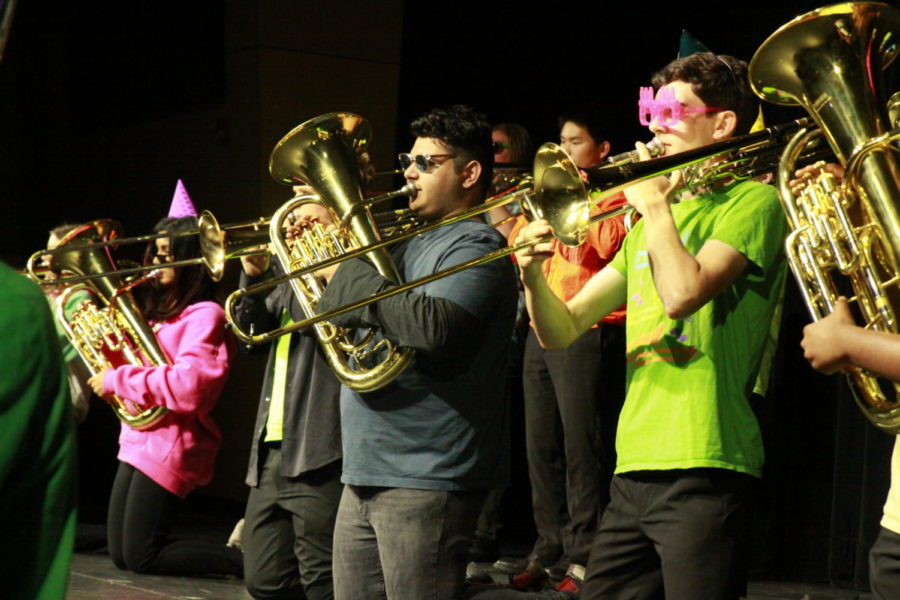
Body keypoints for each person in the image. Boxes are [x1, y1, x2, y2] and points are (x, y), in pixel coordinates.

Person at [515, 52, 785, 599]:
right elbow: (563, 330)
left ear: (723, 123)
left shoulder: (753, 202)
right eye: (652, 112)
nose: (656, 128)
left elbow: (684, 293)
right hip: (634, 464)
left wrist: (656, 208)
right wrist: (532, 275)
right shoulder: (644, 226)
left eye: (674, 112)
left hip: (708, 461)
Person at [316, 104, 518, 600]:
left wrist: (346, 277)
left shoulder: (477, 246)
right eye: (410, 159)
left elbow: (435, 329)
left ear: (470, 173)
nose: (409, 171)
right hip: (364, 468)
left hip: (429, 473)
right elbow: (347, 336)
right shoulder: (402, 245)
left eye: (428, 162)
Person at [502, 109, 627, 588]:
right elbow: (518, 245)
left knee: (583, 447)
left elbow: (607, 243)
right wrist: (533, 220)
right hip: (543, 326)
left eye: (577, 142)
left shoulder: (615, 193)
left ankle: (585, 554)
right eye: (562, 142)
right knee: (541, 447)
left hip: (588, 326)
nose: (567, 150)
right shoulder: (545, 193)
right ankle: (547, 546)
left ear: (602, 149)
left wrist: (577, 200)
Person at [87, 203, 243, 578]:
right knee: (123, 556)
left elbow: (192, 388)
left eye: (168, 255)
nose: (156, 262)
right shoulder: (156, 315)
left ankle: (247, 560)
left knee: (143, 557)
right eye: (155, 253)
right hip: (139, 439)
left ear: (191, 261)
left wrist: (116, 380)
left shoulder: (206, 314)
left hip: (172, 446)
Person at [233, 199, 343, 600]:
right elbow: (249, 338)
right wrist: (254, 277)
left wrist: (316, 265)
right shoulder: (288, 269)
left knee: (322, 581)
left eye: (307, 210)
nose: (293, 221)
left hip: (319, 447)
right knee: (263, 580)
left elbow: (330, 327)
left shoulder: (346, 267)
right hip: (270, 449)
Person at [0, 260, 78, 599]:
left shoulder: (22, 304)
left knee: (135, 552)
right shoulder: (25, 300)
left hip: (160, 442)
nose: (48, 267)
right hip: (137, 441)